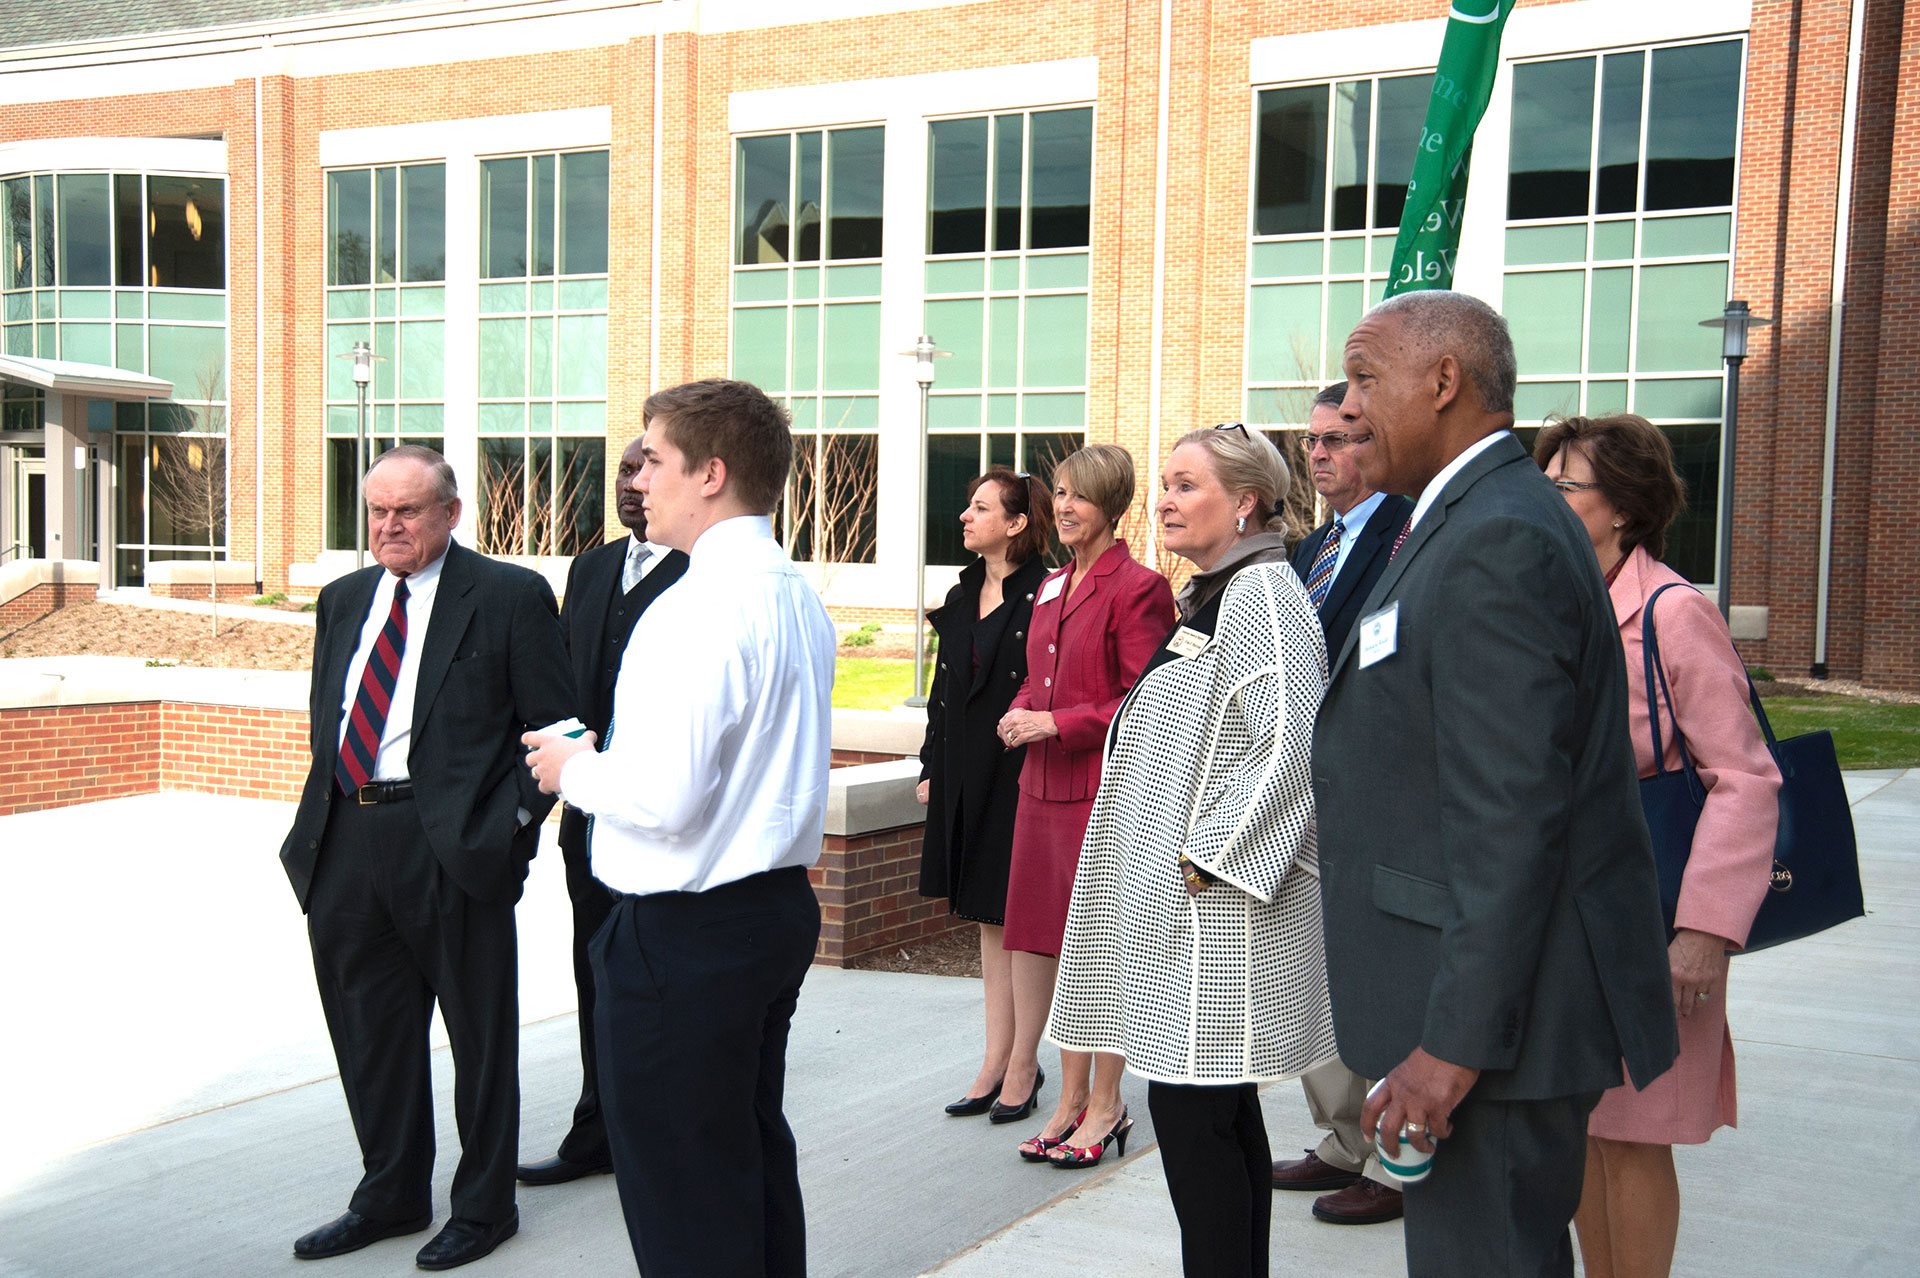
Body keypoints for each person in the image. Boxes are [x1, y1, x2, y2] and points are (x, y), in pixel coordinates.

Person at [1313, 290, 1678, 1278]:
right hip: (1476, 1018)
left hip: (1492, 1043)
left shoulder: (1497, 538)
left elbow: (1511, 818)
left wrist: (1452, 1047)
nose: (1346, 408)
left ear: (1443, 383)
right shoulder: (1464, 517)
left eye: (1364, 379)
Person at [524, 379, 835, 1278]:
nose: (637, 482)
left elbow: (665, 800)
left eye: (653, 460)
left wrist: (570, 769)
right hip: (767, 913)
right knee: (745, 1156)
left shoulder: (696, 606)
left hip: (686, 933)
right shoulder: (793, 595)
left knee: (685, 1194)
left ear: (712, 473)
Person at [1047, 424, 1336, 1277]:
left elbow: (1288, 742)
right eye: (1165, 483)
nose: (1165, 499)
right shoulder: (1217, 593)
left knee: (1196, 1118)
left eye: (1186, 485)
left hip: (1219, 918)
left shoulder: (1265, 602)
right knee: (1214, 1117)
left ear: (1245, 501)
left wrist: (1210, 859)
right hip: (1189, 911)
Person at [280, 445, 574, 1270]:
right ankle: (391, 1193)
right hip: (345, 840)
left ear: (450, 513)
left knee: (478, 1037)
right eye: (376, 510)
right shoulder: (342, 601)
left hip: (452, 847)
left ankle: (484, 1208)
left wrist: (508, 832)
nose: (389, 524)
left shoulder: (510, 596)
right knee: (370, 1033)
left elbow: (559, 729)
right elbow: (328, 716)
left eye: (407, 510)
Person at [1536, 414, 1780, 1278]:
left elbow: (1746, 780)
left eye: (1567, 486)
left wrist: (1705, 930)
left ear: (1625, 512)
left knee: (1636, 1137)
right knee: (1585, 1129)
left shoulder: (1676, 612)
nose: (1548, 500)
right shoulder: (1557, 600)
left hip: (1657, 920)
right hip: (1567, 920)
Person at [517, 436, 688, 1187]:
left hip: (660, 820)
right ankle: (597, 1129)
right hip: (587, 819)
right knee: (596, 973)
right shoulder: (587, 570)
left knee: (661, 982)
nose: (631, 485)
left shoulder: (700, 576)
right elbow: (558, 686)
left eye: (644, 470)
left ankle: (661, 1136)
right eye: (622, 471)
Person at [997, 443, 1174, 1166]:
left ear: (1111, 503)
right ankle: (1068, 1101)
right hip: (1039, 792)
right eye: (1059, 494)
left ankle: (1107, 1105)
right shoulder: (1050, 586)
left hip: (1099, 796)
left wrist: (1059, 723)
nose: (1064, 507)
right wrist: (1018, 709)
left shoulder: (1138, 588)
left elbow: (1147, 698)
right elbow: (1038, 676)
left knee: (1101, 953)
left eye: (1079, 495)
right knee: (1058, 952)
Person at [1271, 382, 1414, 1226]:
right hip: (1300, 789)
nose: (1321, 453)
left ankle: (1394, 1161)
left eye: (1343, 437)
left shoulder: (1411, 537)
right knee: (1312, 968)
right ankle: (1337, 1138)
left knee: (1377, 972)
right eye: (1314, 440)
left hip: (1375, 789)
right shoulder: (1302, 552)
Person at [915, 468, 1056, 1121]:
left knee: (1018, 919)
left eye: (980, 507)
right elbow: (945, 694)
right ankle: (994, 1059)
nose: (965, 516)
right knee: (984, 916)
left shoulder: (1048, 591)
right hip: (963, 769)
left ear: (1018, 522)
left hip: (1022, 769)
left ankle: (1024, 1064)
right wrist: (928, 766)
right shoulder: (963, 590)